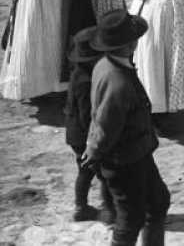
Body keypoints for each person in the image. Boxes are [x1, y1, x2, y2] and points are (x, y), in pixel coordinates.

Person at [82, 10, 170, 246]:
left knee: (158, 202)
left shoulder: (105, 65)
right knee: (131, 219)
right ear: (130, 45)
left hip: (137, 152)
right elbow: (106, 124)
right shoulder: (117, 81)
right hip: (124, 160)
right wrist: (95, 151)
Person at [64, 26, 113, 223]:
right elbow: (86, 116)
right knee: (104, 172)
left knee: (85, 171)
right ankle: (109, 210)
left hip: (74, 133)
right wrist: (93, 141)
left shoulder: (77, 74)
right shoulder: (85, 81)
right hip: (82, 135)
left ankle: (81, 207)